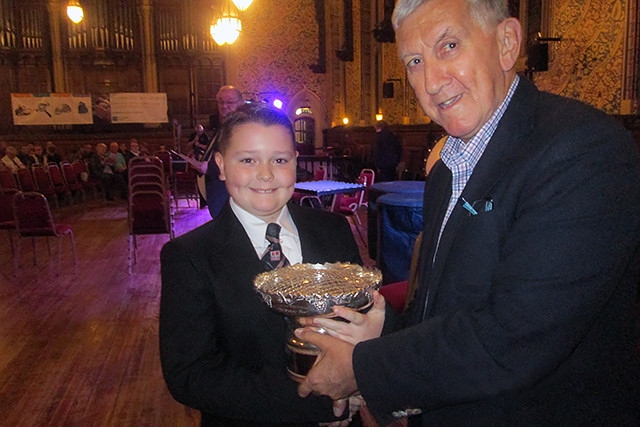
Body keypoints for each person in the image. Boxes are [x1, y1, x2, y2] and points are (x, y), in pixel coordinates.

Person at [295, 0, 640, 425]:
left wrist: (360, 369)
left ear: (506, 43)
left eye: (450, 46)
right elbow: (449, 315)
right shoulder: (447, 169)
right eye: (415, 61)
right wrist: (380, 337)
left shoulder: (582, 150)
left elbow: (515, 338)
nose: (432, 81)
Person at [159, 103, 364, 426]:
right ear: (221, 166)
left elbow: (363, 318)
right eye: (248, 160)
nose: (266, 174)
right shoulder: (189, 256)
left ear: (296, 164)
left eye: (279, 160)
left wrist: (361, 379)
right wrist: (317, 401)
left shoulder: (333, 230)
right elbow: (190, 374)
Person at [194, 85, 244, 218]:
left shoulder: (241, 127)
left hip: (229, 191)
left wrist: (209, 167)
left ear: (241, 103)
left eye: (230, 102)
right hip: (217, 190)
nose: (224, 106)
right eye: (221, 102)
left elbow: (241, 159)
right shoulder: (224, 126)